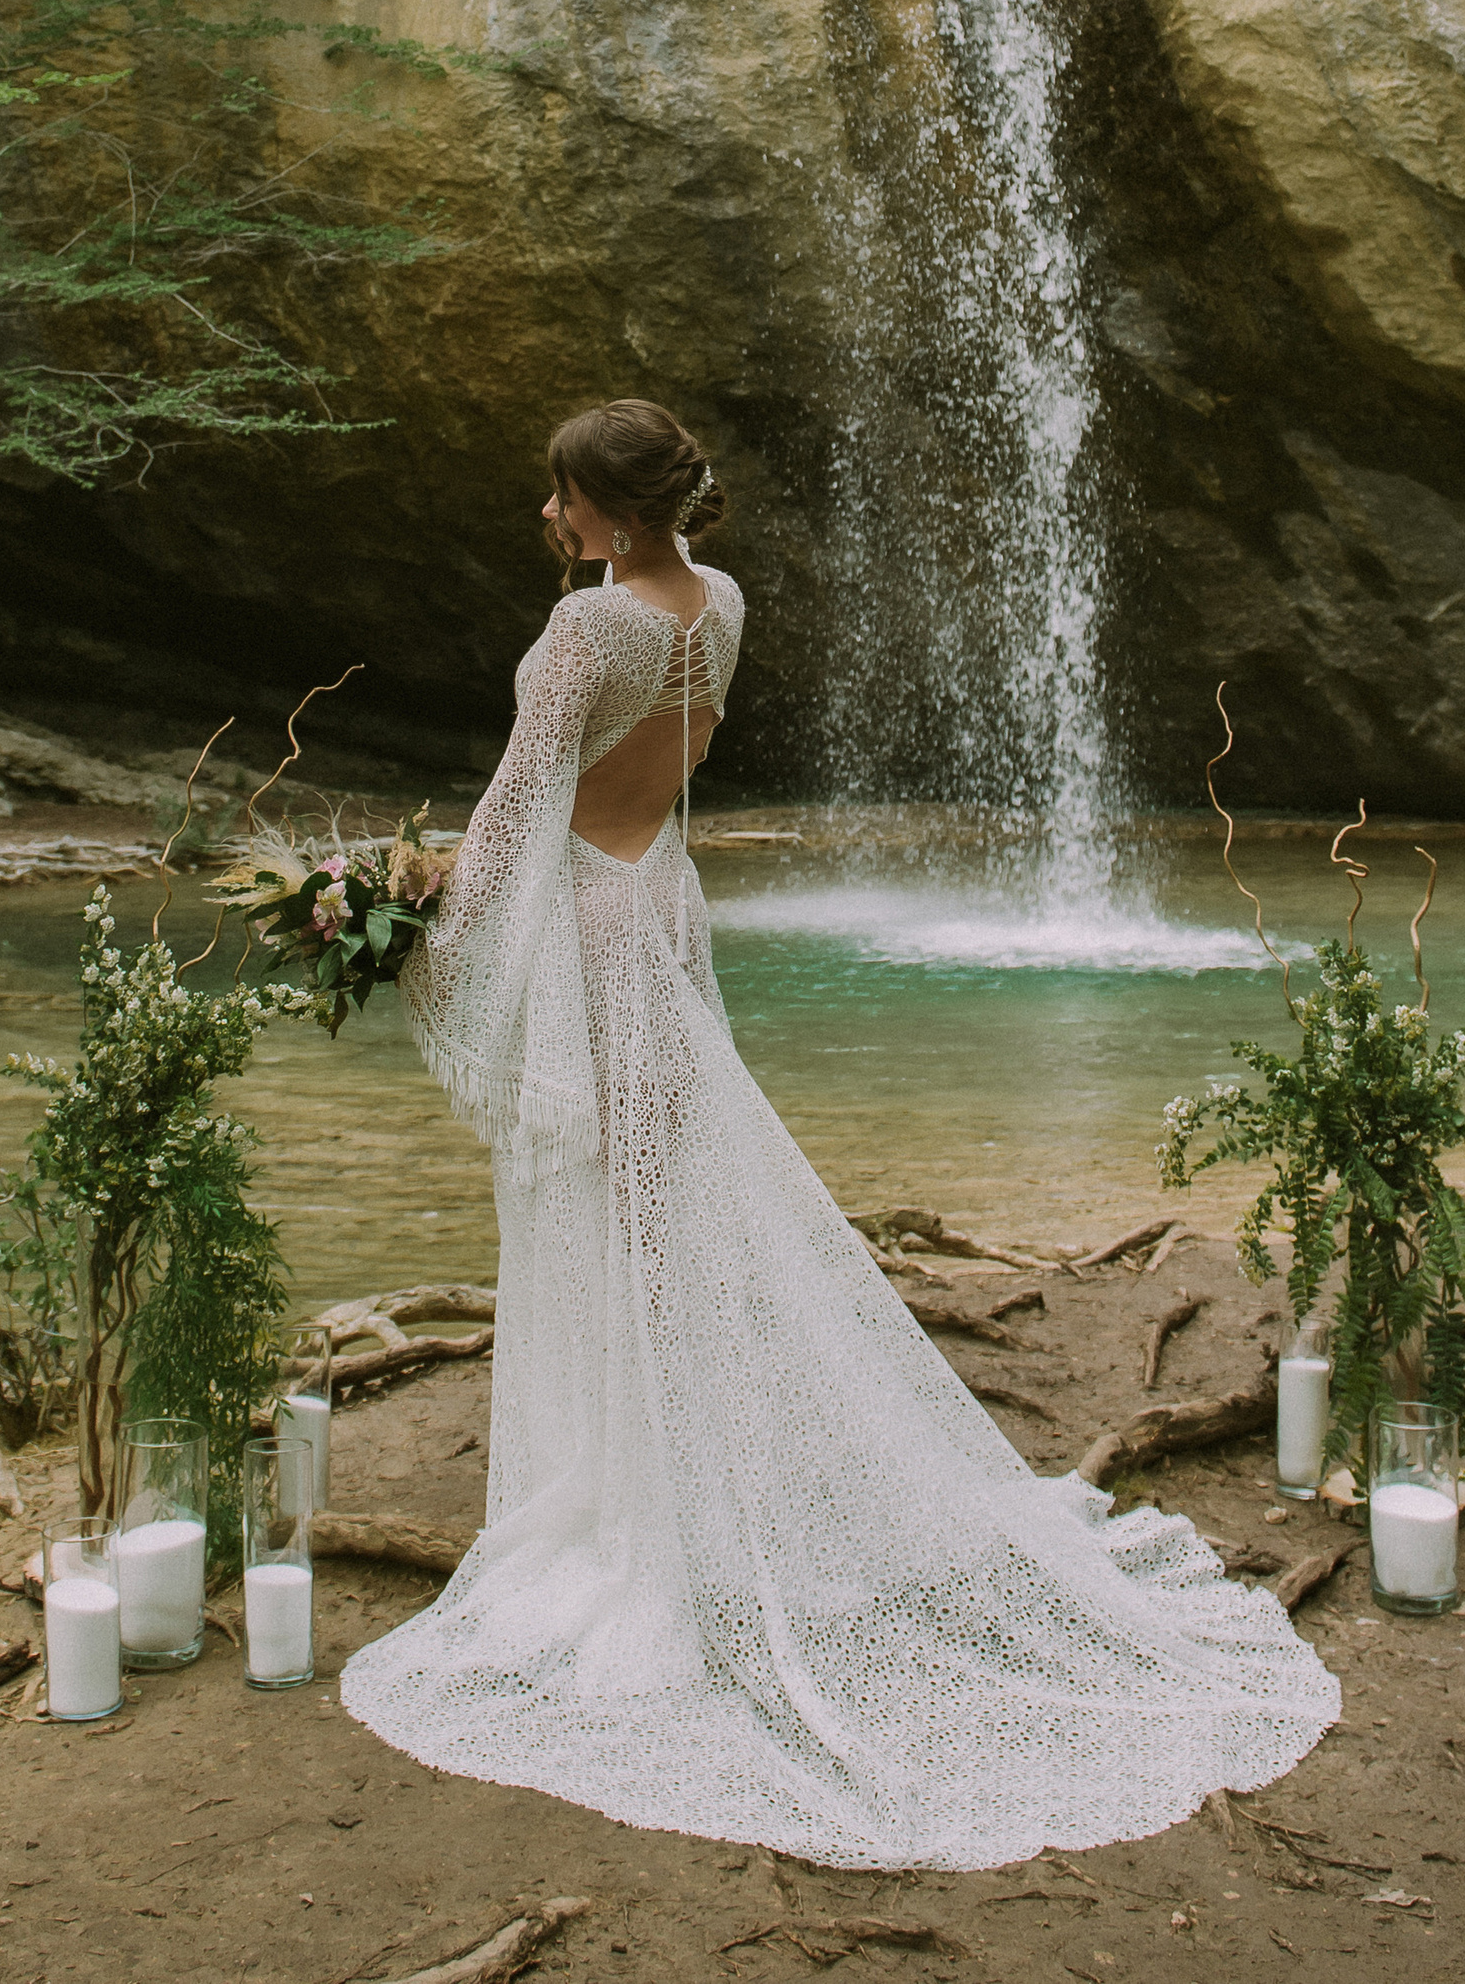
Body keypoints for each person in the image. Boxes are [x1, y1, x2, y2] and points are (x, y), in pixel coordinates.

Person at [340, 399, 1338, 1867]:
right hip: (659, 898)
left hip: (594, 926)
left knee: (612, 1209)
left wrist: (407, 924)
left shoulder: (583, 637)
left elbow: (512, 814)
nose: (543, 518)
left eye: (557, 498)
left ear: (606, 515)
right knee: (667, 1207)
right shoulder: (716, 602)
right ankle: (681, 1474)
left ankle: (650, 1514)